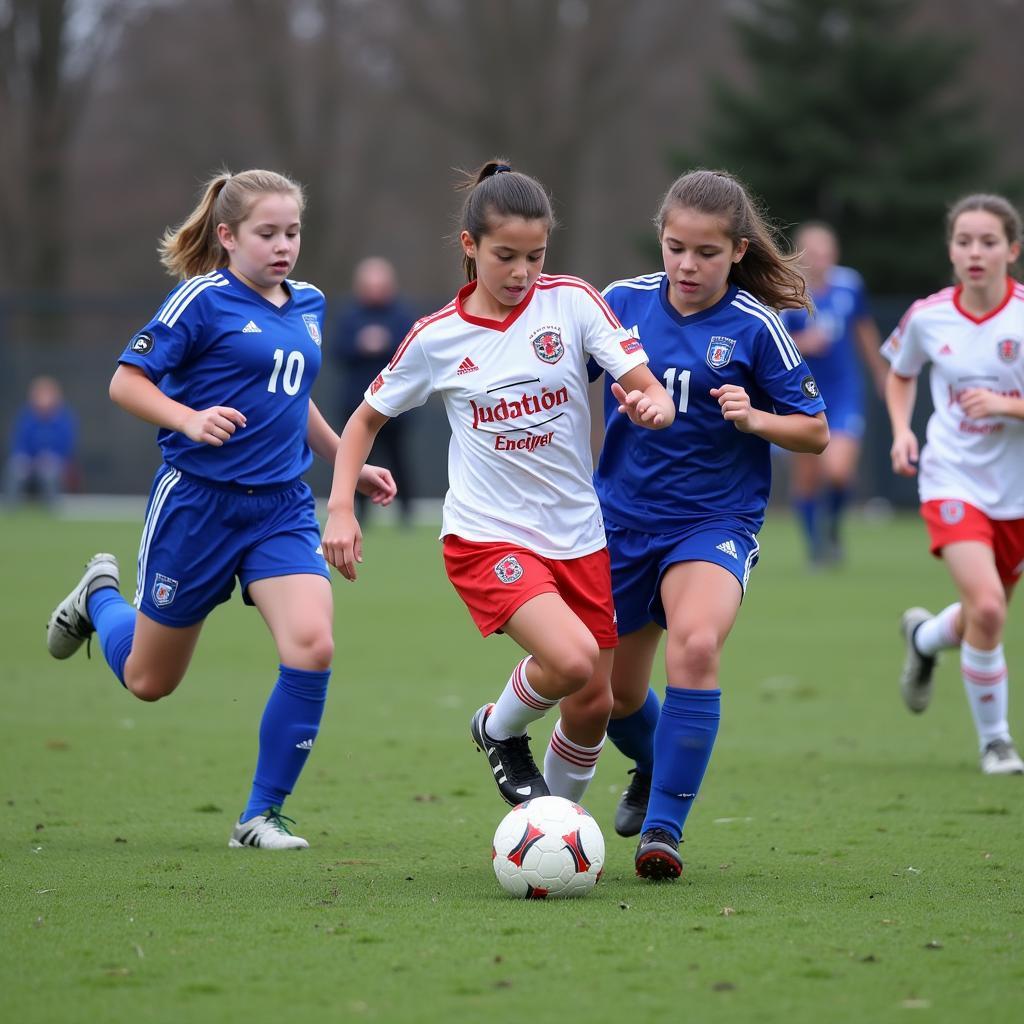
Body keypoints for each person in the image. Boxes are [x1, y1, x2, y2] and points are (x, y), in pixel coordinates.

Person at [44, 169, 396, 849]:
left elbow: (293, 397)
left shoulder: (311, 303)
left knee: (312, 644)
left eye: (292, 232)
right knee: (149, 681)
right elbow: (126, 381)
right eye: (267, 233)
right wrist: (189, 417)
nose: (283, 246)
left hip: (282, 509)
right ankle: (100, 599)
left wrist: (343, 459)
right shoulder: (200, 300)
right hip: (197, 507)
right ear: (228, 236)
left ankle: (260, 816)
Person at [322, 159, 675, 810]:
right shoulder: (437, 338)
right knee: (569, 663)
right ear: (470, 246)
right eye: (505, 256)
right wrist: (341, 506)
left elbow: (645, 386)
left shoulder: (571, 303)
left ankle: (559, 826)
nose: (521, 272)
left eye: (535, 256)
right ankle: (498, 727)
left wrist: (654, 405)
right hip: (487, 537)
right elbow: (364, 419)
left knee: (594, 700)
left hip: (578, 535)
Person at [593, 169, 829, 880]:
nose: (687, 265)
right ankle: (653, 762)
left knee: (694, 646)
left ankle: (663, 830)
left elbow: (814, 432)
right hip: (620, 522)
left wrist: (756, 418)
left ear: (736, 252)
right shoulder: (620, 304)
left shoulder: (757, 326)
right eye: (675, 248)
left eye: (705, 252)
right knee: (611, 696)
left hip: (713, 522)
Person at [885, 192, 1024, 776]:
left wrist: (1005, 405)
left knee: (979, 615)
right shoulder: (928, 315)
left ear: (1011, 250)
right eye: (964, 241)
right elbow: (900, 373)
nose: (975, 252)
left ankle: (923, 640)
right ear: (951, 249)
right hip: (951, 478)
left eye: (988, 241)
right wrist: (901, 432)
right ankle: (996, 742)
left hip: (1015, 491)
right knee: (989, 608)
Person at [780, 223, 888, 565]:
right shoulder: (788, 291)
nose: (820, 259)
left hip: (843, 392)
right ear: (800, 256)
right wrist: (803, 343)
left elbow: (864, 330)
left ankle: (834, 531)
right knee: (808, 477)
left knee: (839, 470)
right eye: (812, 253)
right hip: (801, 394)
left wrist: (881, 372)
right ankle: (816, 550)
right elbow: (772, 342)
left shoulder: (849, 284)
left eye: (826, 252)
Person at [333, 257, 417, 525]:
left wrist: (385, 342)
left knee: (399, 458)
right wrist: (361, 344)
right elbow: (337, 350)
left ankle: (406, 511)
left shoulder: (402, 316)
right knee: (355, 457)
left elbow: (413, 354)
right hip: (356, 402)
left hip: (395, 407)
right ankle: (356, 511)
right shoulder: (350, 315)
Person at [5, 375, 78, 507]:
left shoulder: (63, 419)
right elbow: (19, 443)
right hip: (29, 462)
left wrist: (50, 458)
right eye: (40, 395)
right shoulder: (26, 417)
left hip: (52, 464)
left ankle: (52, 507)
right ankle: (10, 507)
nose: (43, 399)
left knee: (49, 471)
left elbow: (66, 446)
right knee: (16, 467)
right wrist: (24, 458)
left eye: (47, 395)